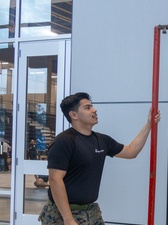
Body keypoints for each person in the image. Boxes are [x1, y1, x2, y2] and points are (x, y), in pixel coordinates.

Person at [38, 92, 160, 225]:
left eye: (92, 106)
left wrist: (148, 124)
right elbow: (55, 179)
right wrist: (68, 219)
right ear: (74, 115)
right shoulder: (64, 141)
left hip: (91, 211)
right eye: (87, 107)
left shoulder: (102, 140)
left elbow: (131, 152)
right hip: (63, 214)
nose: (94, 110)